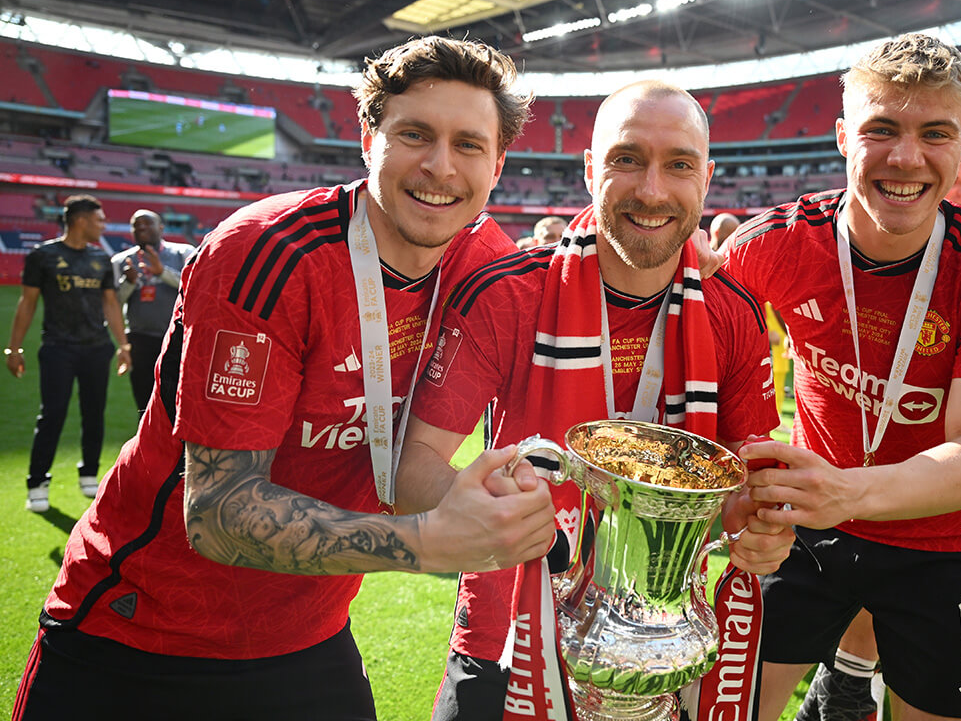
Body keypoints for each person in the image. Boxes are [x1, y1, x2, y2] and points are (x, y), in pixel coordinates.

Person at [12, 36, 558, 721]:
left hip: (309, 637)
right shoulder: (269, 253)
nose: (440, 166)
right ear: (369, 138)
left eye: (469, 144)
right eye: (414, 134)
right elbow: (216, 513)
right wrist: (425, 543)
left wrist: (698, 250)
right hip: (138, 631)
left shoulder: (486, 266)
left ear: (500, 162)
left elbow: (614, 269)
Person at [399, 80, 793, 719]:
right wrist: (515, 521)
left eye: (679, 165)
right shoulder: (509, 293)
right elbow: (412, 468)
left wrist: (765, 529)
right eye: (627, 158)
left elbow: (750, 486)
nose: (653, 189)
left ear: (707, 176)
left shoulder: (733, 314)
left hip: (663, 648)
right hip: (510, 634)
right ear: (589, 169)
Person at [724, 33, 961, 721]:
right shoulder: (770, 245)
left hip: (936, 538)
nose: (906, 157)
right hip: (801, 530)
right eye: (882, 129)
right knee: (719, 708)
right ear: (844, 136)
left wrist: (844, 490)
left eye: (934, 133)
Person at [6, 194, 132, 513]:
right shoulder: (43, 255)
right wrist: (15, 348)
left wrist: (123, 345)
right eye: (99, 219)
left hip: (96, 348)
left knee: (94, 414)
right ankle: (37, 482)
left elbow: (111, 304)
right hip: (58, 348)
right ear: (80, 220)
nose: (103, 224)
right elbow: (27, 303)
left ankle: (89, 472)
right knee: (53, 415)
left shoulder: (100, 259)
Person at [111, 210, 197, 413]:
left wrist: (162, 273)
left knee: (177, 400)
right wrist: (129, 283)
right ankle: (144, 444)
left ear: (161, 227)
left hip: (178, 336)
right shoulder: (120, 261)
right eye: (136, 225)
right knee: (144, 401)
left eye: (147, 223)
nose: (141, 228)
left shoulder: (183, 253)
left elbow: (194, 289)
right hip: (139, 339)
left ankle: (175, 444)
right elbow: (113, 304)